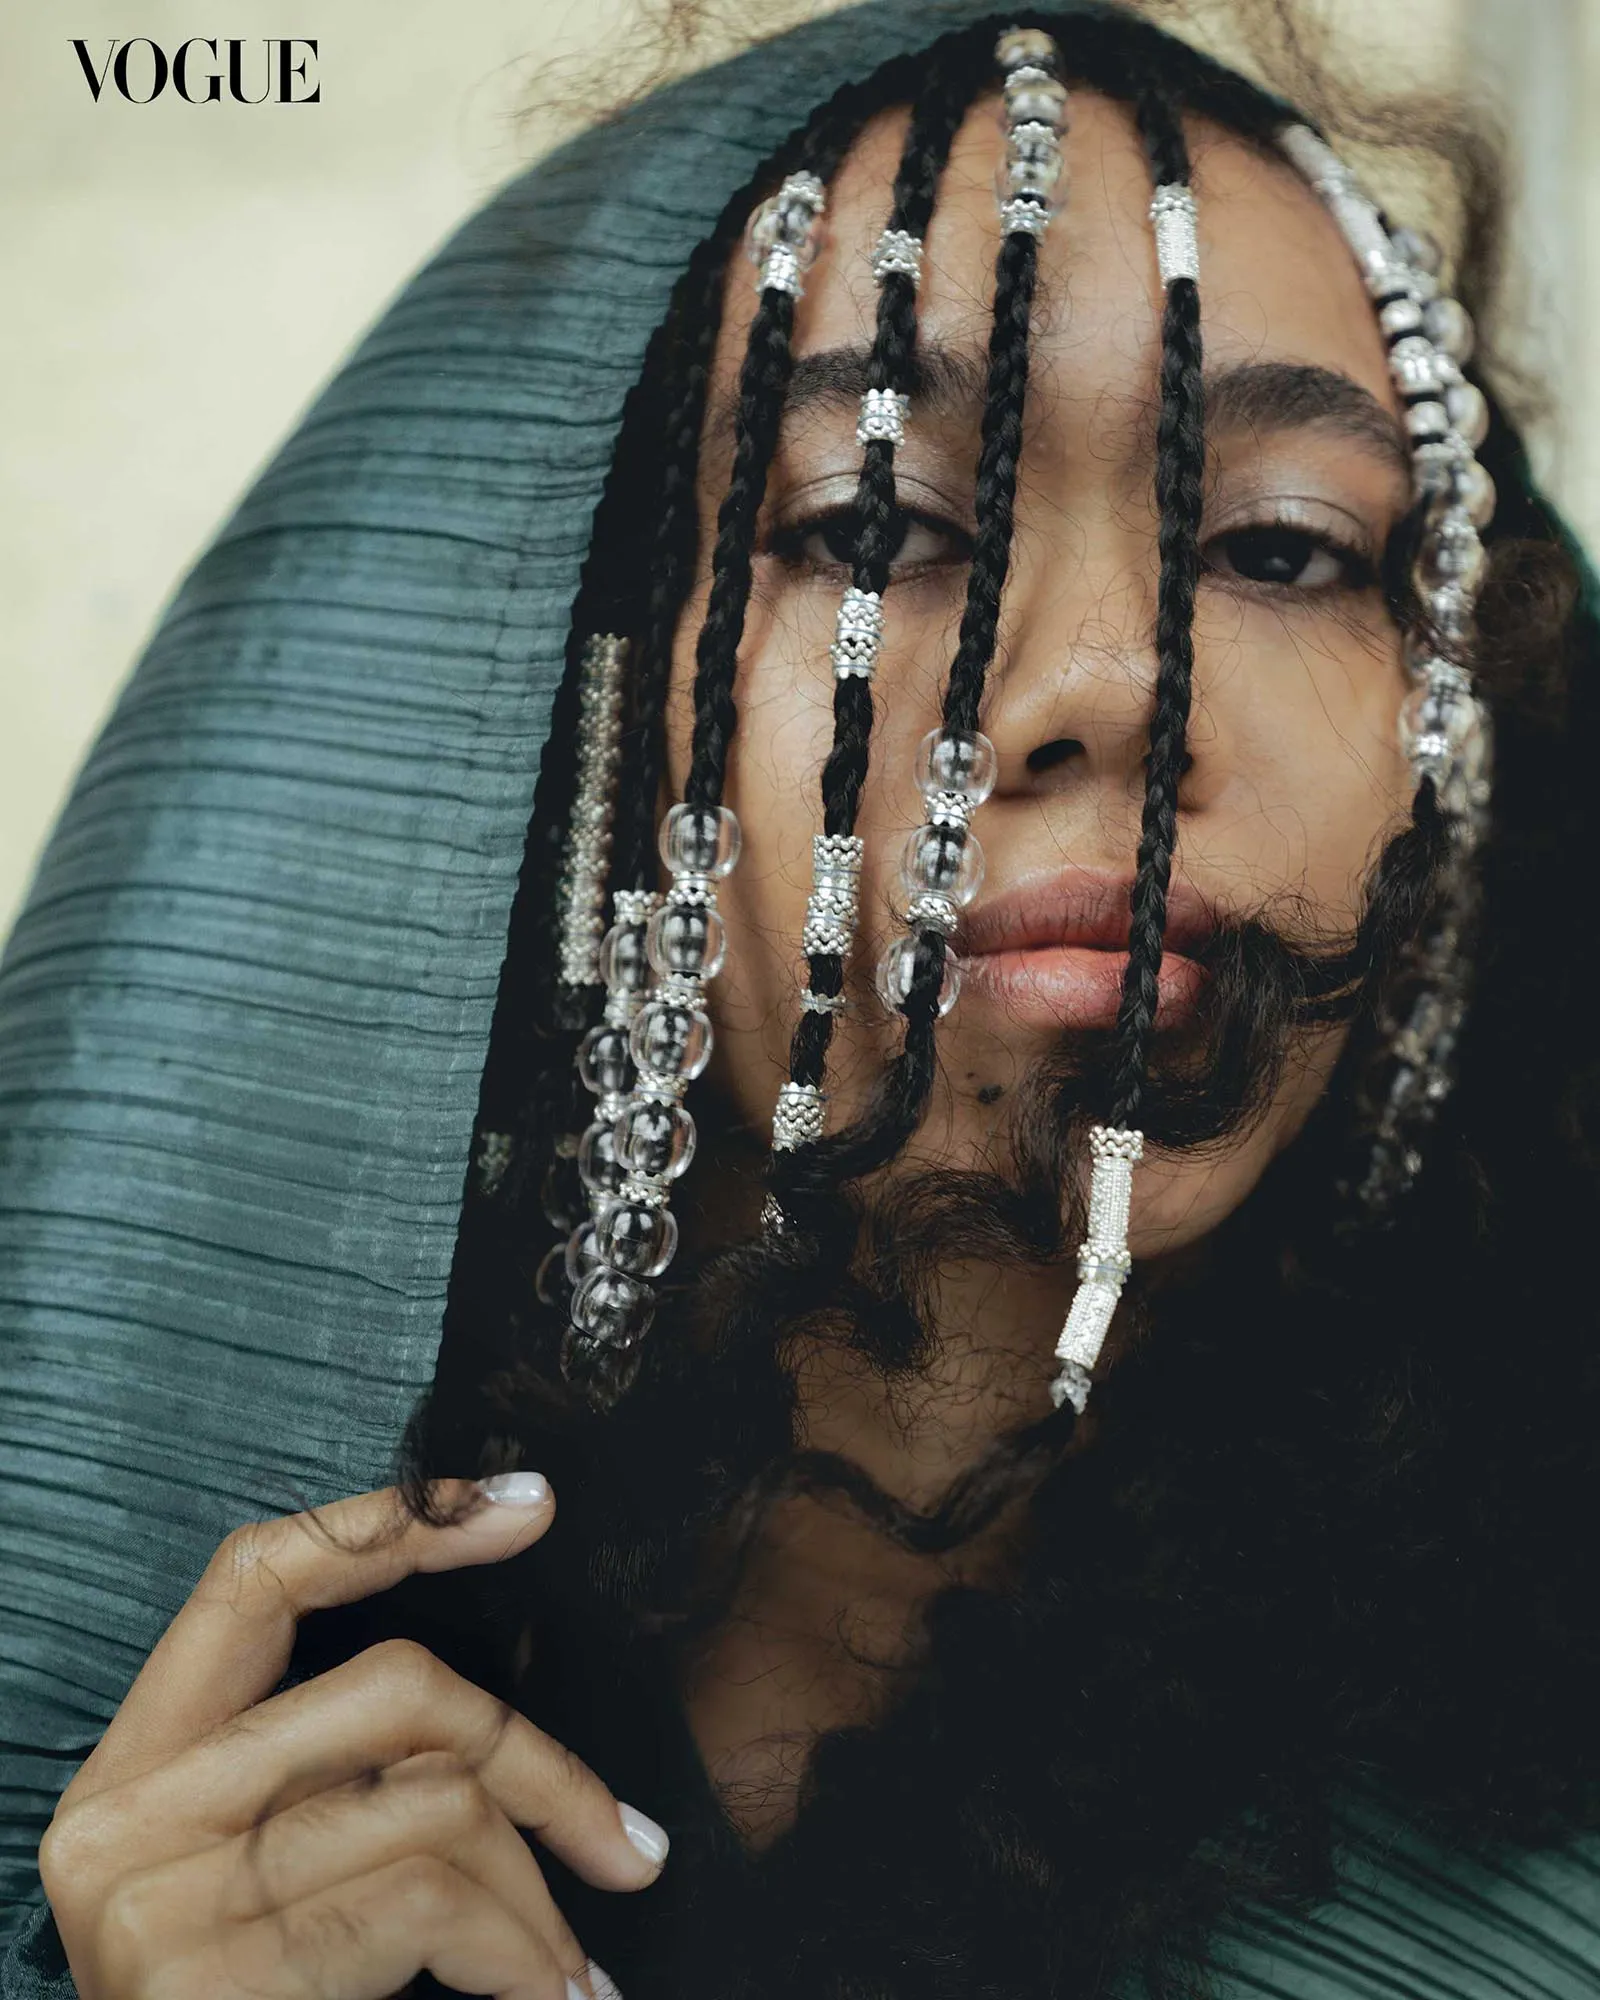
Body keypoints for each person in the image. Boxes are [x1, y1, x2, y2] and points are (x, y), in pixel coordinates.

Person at [3, 2, 1598, 1996]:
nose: (1116, 682)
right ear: (572, 702)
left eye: (1285, 550)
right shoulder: (177, 1806)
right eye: (872, 527)